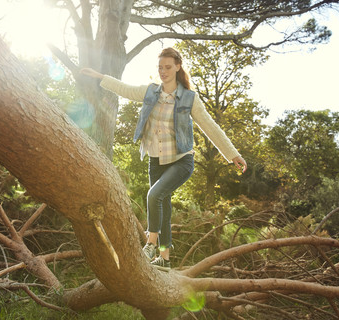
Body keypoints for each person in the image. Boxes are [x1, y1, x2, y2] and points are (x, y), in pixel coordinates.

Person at [80, 47, 247, 271]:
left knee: (154, 195)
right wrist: (101, 78)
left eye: (168, 67)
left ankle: (150, 244)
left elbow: (209, 126)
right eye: (160, 67)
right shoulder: (151, 92)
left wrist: (232, 154)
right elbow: (125, 89)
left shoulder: (189, 98)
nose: (163, 71)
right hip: (156, 160)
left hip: (181, 160)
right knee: (163, 208)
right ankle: (165, 258)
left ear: (178, 66)